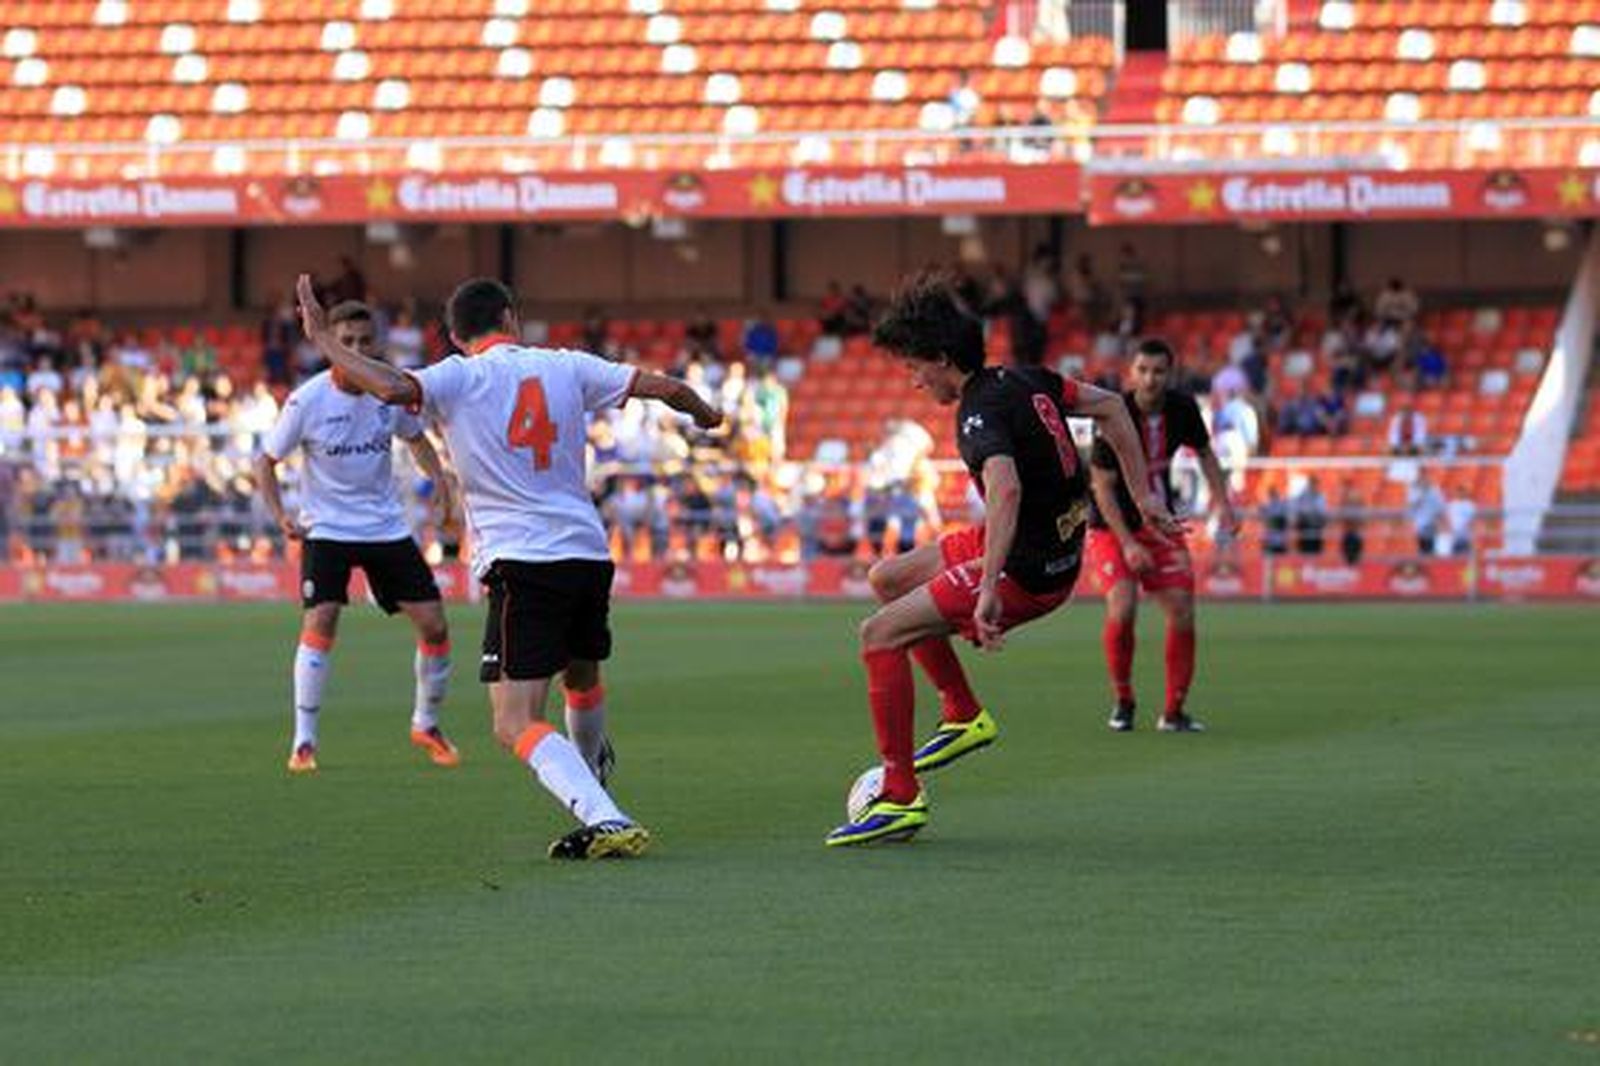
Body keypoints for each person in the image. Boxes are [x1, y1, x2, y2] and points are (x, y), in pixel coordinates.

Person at [294, 274, 722, 861]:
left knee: (513, 720)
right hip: (587, 553)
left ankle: (603, 816)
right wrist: (707, 414)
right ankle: (598, 793)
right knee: (582, 679)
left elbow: (392, 388)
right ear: (512, 319)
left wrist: (325, 341)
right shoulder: (568, 364)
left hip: (524, 562)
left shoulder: (459, 375)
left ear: (454, 335)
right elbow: (667, 387)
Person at [824, 271, 1178, 847]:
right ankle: (961, 711)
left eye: (914, 368)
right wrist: (1142, 495)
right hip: (1045, 546)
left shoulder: (975, 416)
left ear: (941, 359)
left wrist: (987, 587)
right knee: (886, 578)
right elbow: (1112, 407)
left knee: (878, 636)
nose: (913, 382)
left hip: (1024, 568)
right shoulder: (1024, 378)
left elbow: (1006, 487)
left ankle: (899, 795)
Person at [255, 300, 461, 776]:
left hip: (384, 526)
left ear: (378, 344)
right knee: (322, 618)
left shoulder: (388, 393)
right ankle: (303, 741)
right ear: (331, 345)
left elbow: (417, 439)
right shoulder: (307, 401)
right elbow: (265, 461)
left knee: (434, 626)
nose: (356, 349)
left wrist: (443, 483)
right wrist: (280, 514)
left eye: (365, 341)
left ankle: (425, 725)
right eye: (346, 341)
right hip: (326, 527)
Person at [1086, 338, 1240, 734]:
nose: (1150, 379)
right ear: (1131, 372)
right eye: (1143, 370)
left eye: (1158, 371)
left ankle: (1174, 712)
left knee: (1184, 609)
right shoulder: (1111, 413)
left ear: (1169, 375)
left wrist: (1224, 503)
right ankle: (1123, 700)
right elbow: (1101, 487)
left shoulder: (1183, 408)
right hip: (1112, 524)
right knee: (1123, 606)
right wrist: (1129, 542)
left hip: (1160, 520)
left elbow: (1205, 454)